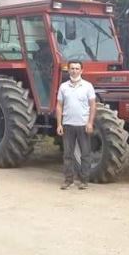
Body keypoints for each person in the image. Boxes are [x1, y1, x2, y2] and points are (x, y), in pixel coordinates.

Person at [56, 60, 96, 190]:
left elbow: (93, 105)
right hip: (68, 125)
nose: (74, 71)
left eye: (77, 68)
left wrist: (90, 123)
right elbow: (59, 106)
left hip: (83, 125)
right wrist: (59, 124)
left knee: (85, 154)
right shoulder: (63, 87)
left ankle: (84, 181)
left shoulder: (88, 86)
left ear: (81, 70)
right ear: (68, 70)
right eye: (72, 68)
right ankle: (68, 180)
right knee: (68, 154)